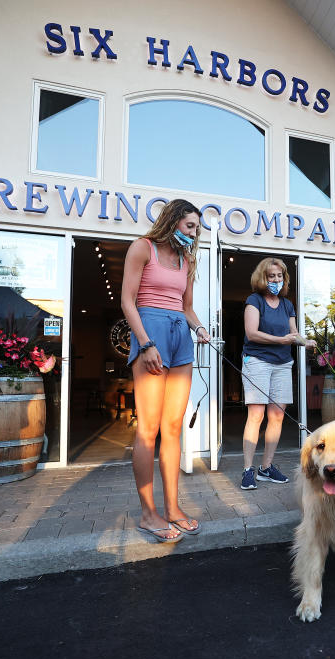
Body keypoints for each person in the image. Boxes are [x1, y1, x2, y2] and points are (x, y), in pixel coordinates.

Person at [121, 199, 210, 543]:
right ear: (172, 221)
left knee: (173, 428)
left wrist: (200, 328)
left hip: (180, 336)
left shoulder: (187, 259)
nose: (194, 232)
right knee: (149, 428)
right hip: (151, 332)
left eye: (197, 228)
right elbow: (128, 301)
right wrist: (144, 343)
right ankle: (148, 513)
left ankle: (172, 508)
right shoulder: (142, 248)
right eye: (189, 226)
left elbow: (186, 307)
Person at [240, 258, 315, 491]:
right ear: (263, 278)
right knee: (256, 415)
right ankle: (247, 470)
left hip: (283, 363)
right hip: (258, 361)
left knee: (278, 416)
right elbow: (252, 333)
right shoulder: (254, 301)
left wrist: (305, 341)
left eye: (279, 276)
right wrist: (281, 340)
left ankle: (266, 468)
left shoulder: (287, 305)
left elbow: (293, 334)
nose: (275, 280)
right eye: (271, 276)